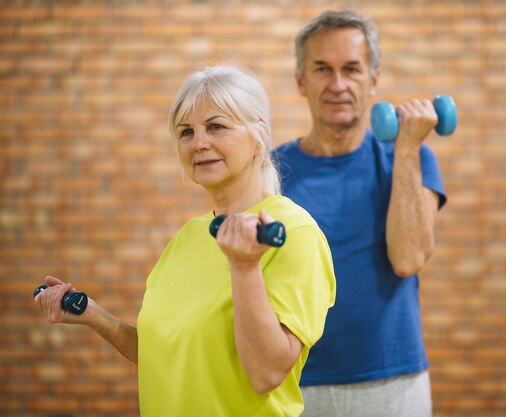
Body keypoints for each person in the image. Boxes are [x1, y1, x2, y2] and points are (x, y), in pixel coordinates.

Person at [35, 65, 336, 417]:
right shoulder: (188, 237)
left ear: (259, 136)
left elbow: (266, 373)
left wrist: (244, 266)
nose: (199, 143)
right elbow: (167, 352)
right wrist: (95, 316)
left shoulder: (295, 233)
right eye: (186, 132)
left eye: (216, 126)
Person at [273, 10, 447, 417]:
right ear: (301, 81)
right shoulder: (269, 173)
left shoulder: (413, 158)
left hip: (391, 382)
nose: (338, 85)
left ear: (373, 79)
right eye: (322, 69)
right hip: (294, 382)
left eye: (351, 69)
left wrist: (405, 146)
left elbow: (408, 259)